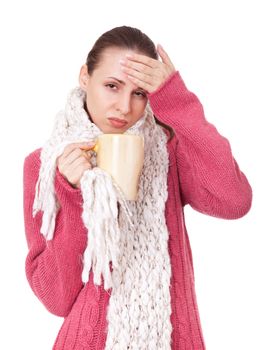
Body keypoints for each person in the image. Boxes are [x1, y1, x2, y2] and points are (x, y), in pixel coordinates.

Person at [23, 25, 252, 350]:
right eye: (112, 86)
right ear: (85, 76)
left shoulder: (168, 150)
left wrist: (176, 101)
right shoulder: (46, 166)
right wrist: (73, 198)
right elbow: (56, 299)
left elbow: (234, 201)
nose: (124, 106)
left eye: (140, 93)